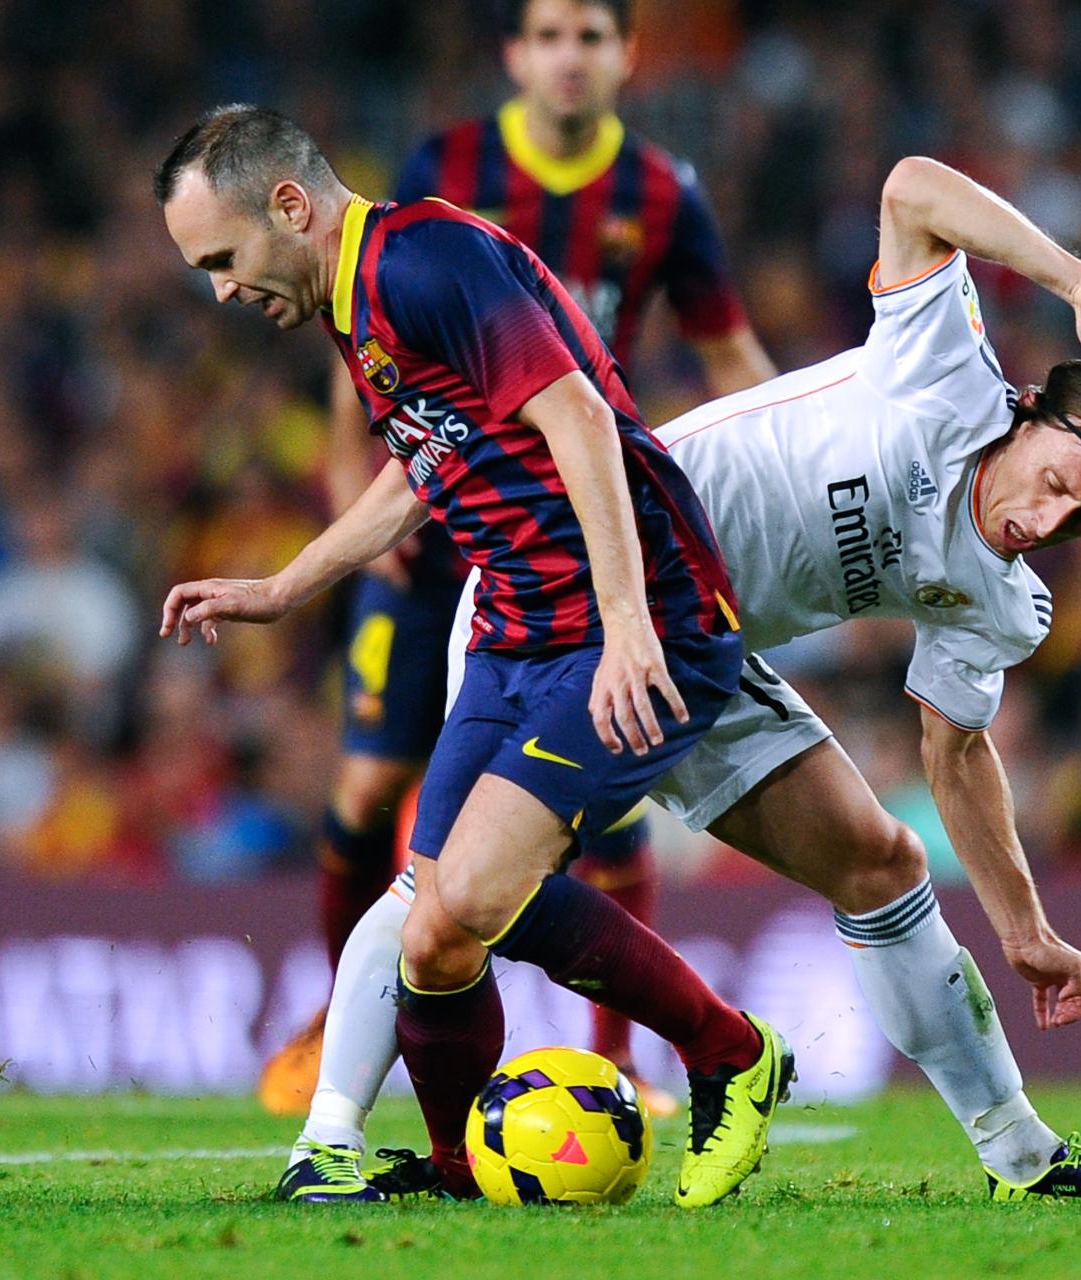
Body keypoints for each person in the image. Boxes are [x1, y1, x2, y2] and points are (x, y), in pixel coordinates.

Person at [284, 156, 1081, 1205]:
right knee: (448, 897)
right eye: (1062, 483)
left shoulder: (1003, 597)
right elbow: (907, 186)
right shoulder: (941, 372)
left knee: (880, 861)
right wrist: (1079, 282)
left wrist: (1021, 925)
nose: (1050, 521)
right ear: (1033, 413)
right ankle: (332, 1136)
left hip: (697, 648)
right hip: (572, 590)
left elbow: (954, 748)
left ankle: (1023, 1158)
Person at [154, 104, 791, 1209]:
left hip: (629, 621)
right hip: (514, 628)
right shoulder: (353, 302)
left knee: (469, 897)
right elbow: (420, 466)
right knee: (435, 933)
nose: (219, 290)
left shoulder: (423, 260)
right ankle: (457, 1169)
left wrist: (627, 620)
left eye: (221, 257)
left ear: (290, 207)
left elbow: (582, 420)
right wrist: (281, 586)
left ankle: (731, 1052)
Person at [259, 0, 775, 1119]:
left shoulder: (659, 193)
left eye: (591, 35)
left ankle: (632, 1047)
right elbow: (383, 383)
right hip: (443, 535)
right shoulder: (436, 178)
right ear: (513, 55)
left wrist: (771, 497)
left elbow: (714, 353)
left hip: (586, 535)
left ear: (626, 56)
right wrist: (333, 542)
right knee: (374, 802)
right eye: (548, 34)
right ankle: (335, 1011)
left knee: (557, 828)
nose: (569, 57)